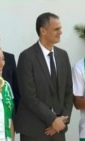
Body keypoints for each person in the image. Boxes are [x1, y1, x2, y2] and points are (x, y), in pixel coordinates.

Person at [15, 12, 73, 141]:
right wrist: (52, 120)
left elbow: (68, 92)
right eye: (56, 29)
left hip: (58, 130)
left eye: (60, 29)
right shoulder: (27, 57)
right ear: (43, 31)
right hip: (34, 129)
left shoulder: (63, 56)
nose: (60, 32)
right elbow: (29, 96)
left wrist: (61, 121)